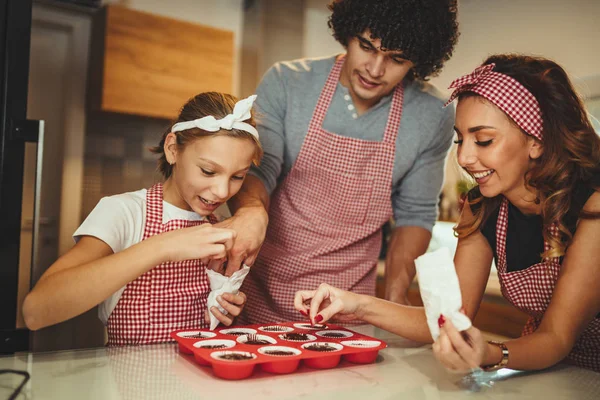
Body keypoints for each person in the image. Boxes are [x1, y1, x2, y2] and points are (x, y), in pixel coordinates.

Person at [294, 54, 600, 373]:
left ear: (536, 141)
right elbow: (443, 317)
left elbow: (556, 337)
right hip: (551, 373)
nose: (465, 156)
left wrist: (490, 353)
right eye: (460, 138)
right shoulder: (483, 208)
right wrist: (354, 303)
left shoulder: (592, 207)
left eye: (483, 140)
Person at [220, 0, 460, 324]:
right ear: (347, 32)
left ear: (419, 59)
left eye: (397, 59)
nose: (375, 70)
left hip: (348, 310)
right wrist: (250, 211)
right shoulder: (287, 83)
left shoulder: (432, 114)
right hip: (258, 294)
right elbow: (260, 171)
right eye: (366, 46)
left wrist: (394, 299)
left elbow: (414, 214)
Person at [22, 93, 263, 346]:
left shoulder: (221, 225)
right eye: (208, 171)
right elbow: (36, 311)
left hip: (198, 383)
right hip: (130, 382)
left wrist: (220, 308)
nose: (223, 192)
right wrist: (163, 246)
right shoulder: (124, 213)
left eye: (238, 176)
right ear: (172, 149)